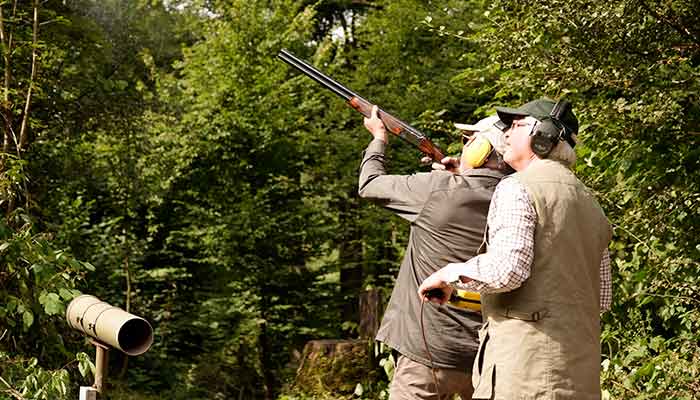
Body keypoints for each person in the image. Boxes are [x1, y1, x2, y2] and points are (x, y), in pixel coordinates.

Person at [418, 98, 613, 400]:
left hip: (525, 377)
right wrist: (458, 294)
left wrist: (449, 274)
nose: (506, 133)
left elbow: (508, 271)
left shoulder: (517, 187)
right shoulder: (591, 204)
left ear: (544, 136)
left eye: (517, 125)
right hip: (578, 378)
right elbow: (598, 297)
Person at [359, 105, 512, 400]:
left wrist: (378, 138)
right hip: (487, 356)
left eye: (471, 141)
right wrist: (464, 176)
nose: (464, 146)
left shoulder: (436, 189)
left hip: (426, 351)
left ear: (482, 150)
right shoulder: (519, 199)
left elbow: (369, 184)